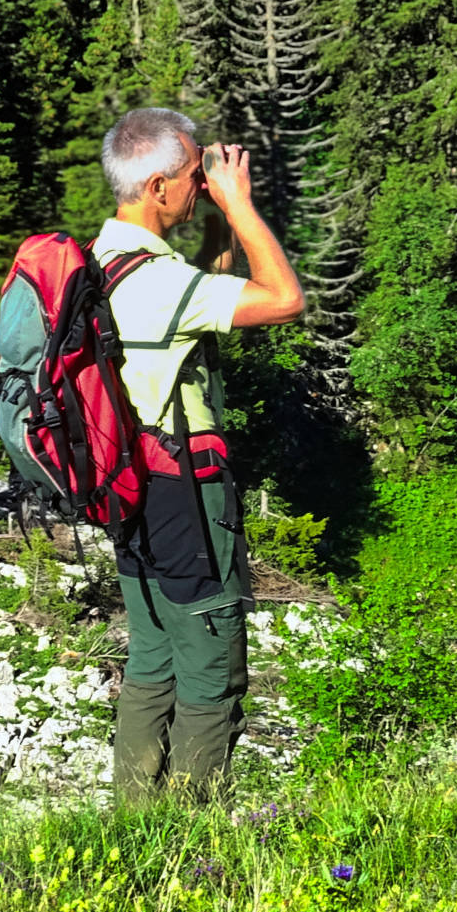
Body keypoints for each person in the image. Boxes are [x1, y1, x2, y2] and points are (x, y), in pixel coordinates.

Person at [92, 107, 302, 804]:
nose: (199, 184)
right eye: (191, 176)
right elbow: (283, 299)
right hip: (184, 492)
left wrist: (214, 223)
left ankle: (135, 821)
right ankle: (191, 831)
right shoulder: (159, 284)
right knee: (212, 669)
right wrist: (239, 206)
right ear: (157, 186)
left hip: (127, 485)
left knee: (153, 658)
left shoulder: (103, 261)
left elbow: (195, 298)